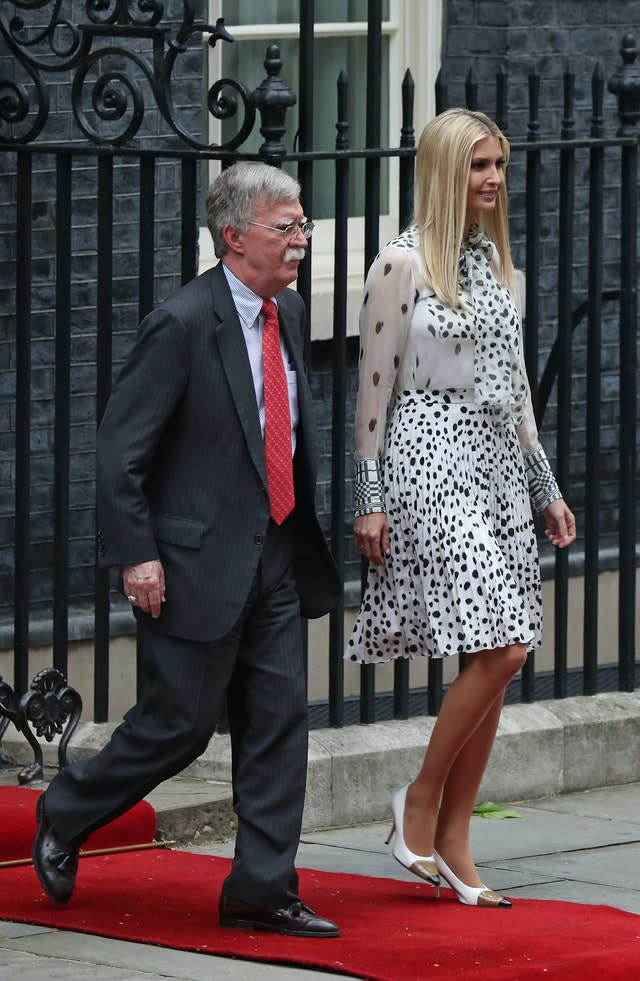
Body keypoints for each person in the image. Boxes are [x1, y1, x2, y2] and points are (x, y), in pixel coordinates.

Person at [32, 162, 342, 938]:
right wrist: (137, 554)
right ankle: (64, 810)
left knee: (278, 723)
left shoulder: (290, 311)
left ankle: (261, 888)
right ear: (236, 237)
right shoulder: (180, 323)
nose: (302, 239)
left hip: (274, 548)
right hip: (193, 562)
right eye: (287, 227)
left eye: (304, 224)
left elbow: (289, 428)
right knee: (180, 724)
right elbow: (119, 451)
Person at [347, 108, 576, 908]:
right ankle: (418, 800)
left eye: (499, 166)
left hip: (496, 464)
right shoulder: (399, 265)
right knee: (506, 644)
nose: (493, 180)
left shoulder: (500, 269)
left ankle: (454, 841)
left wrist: (545, 483)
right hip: (426, 457)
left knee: (501, 655)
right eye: (479, 165)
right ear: (446, 169)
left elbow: (517, 393)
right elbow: (371, 388)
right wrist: (368, 497)